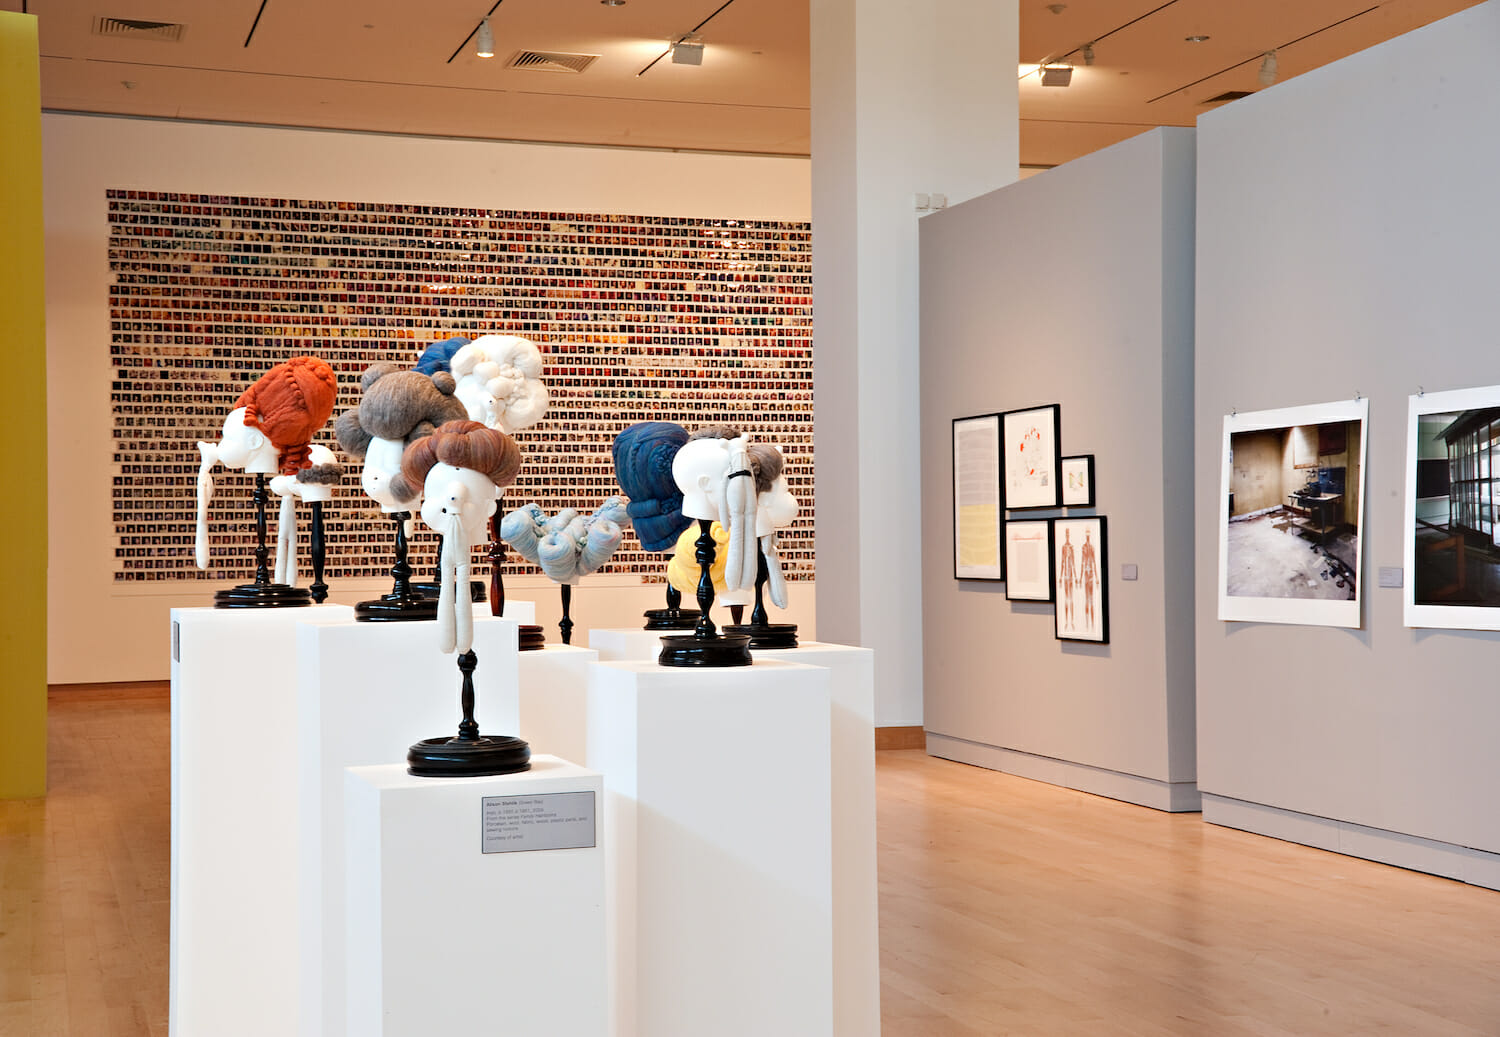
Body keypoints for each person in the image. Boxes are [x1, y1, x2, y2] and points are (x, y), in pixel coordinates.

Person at [1058, 528, 1077, 631]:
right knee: (1066, 599)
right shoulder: (1064, 547)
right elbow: (1062, 562)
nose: (1067, 535)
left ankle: (1072, 621)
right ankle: (1066, 621)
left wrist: (1076, 576)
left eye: (1068, 534)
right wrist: (1061, 576)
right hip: (1066, 576)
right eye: (1066, 534)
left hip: (1070, 577)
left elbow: (1073, 563)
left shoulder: (1071, 547)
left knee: (1071, 599)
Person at [1080, 529, 1098, 631]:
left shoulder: (1091, 547)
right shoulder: (1084, 547)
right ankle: (1087, 624)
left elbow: (1094, 562)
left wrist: (1096, 577)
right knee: (1087, 600)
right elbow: (1082, 562)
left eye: (1088, 534)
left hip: (1090, 575)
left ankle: (1092, 624)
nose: (1087, 536)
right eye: (1086, 534)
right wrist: (1080, 577)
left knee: (1091, 600)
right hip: (1086, 576)